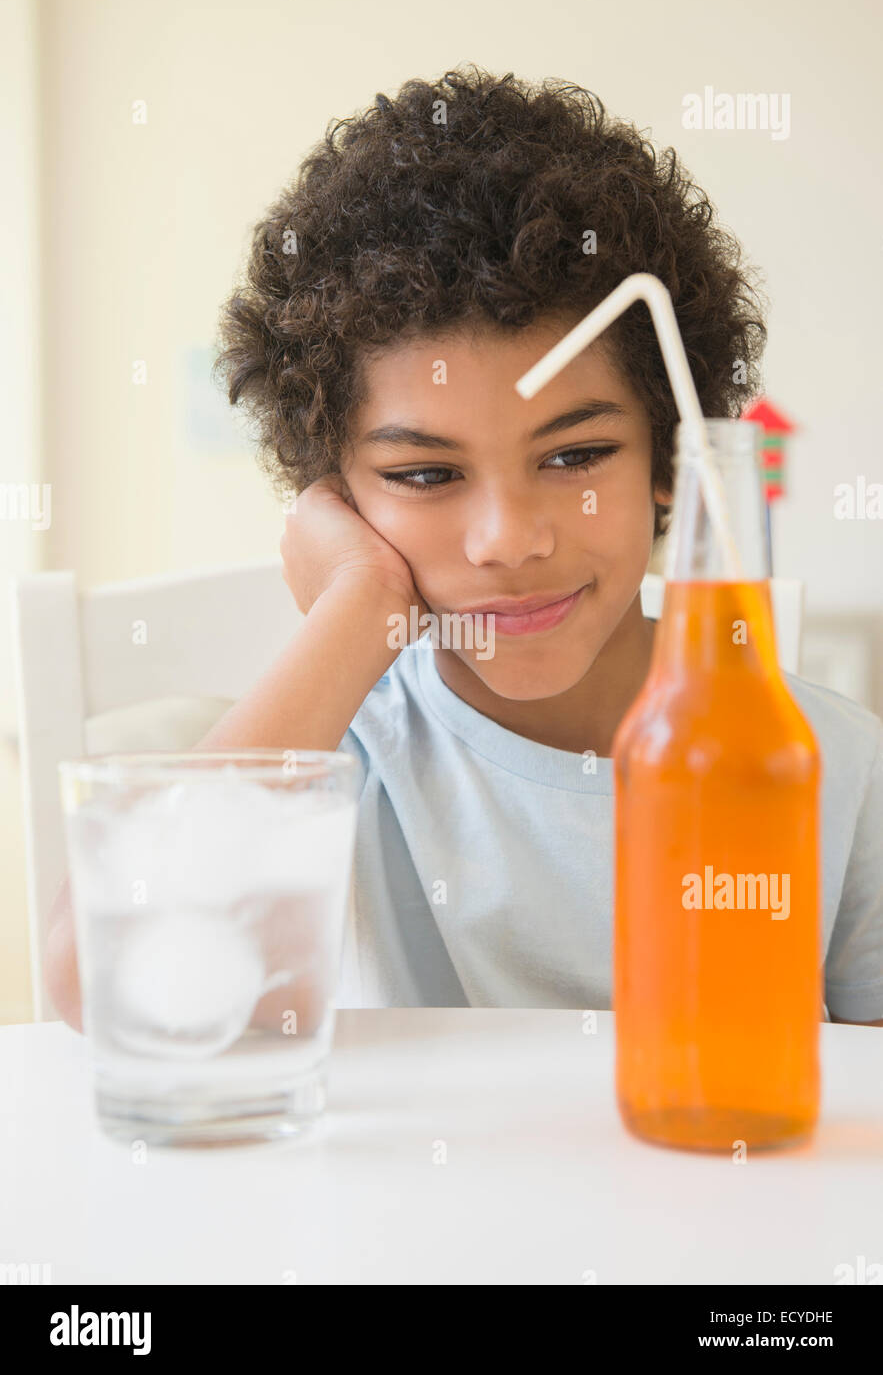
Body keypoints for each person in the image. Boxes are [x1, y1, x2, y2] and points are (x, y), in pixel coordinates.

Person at [46, 66, 883, 1028]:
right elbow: (93, 977)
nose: (509, 539)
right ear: (337, 494)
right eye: (427, 474)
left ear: (670, 458)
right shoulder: (326, 758)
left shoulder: (829, 764)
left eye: (575, 454)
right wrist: (356, 607)